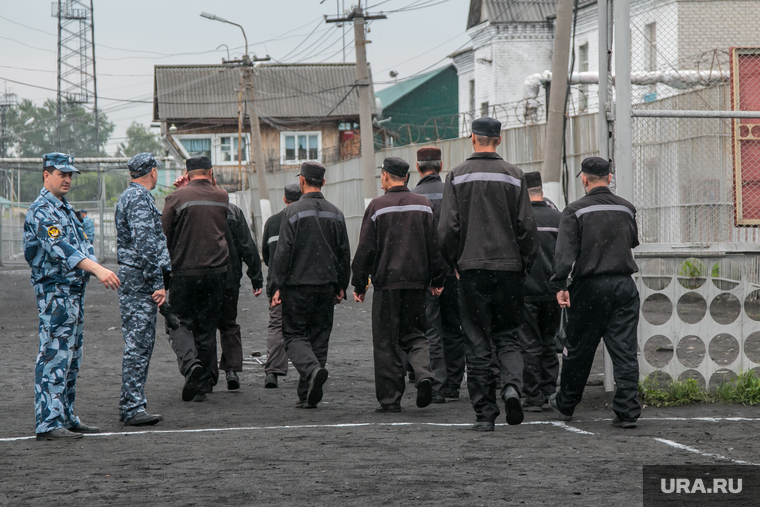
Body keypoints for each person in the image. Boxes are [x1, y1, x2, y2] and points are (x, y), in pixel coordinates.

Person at [438, 117, 538, 432]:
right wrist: (524, 262)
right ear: (499, 139)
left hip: (470, 269)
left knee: (476, 338)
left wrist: (453, 260)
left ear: (472, 138)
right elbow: (526, 227)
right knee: (508, 336)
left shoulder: (456, 176)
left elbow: (447, 229)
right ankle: (511, 387)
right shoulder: (514, 175)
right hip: (509, 268)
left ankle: (485, 413)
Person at [23, 152, 120, 440]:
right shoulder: (41, 210)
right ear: (46, 174)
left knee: (71, 357)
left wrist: (92, 268)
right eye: (61, 173)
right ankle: (49, 422)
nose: (67, 179)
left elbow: (83, 244)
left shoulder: (65, 209)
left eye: (70, 174)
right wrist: (98, 270)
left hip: (73, 293)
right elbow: (60, 248)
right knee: (54, 354)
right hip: (55, 294)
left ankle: (65, 414)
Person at [549, 157, 642, 428]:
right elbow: (633, 240)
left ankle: (566, 403)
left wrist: (560, 285)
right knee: (624, 349)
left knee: (579, 348)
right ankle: (627, 411)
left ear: (584, 179)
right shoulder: (626, 208)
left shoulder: (574, 211)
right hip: (624, 285)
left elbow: (564, 255)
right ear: (609, 178)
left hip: (590, 287)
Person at [352, 156, 445, 413]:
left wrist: (359, 284)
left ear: (384, 176)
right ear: (407, 177)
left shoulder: (377, 207)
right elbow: (434, 247)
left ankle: (390, 400)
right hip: (417, 285)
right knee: (416, 335)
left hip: (387, 286)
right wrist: (437, 279)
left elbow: (365, 251)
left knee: (385, 342)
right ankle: (424, 373)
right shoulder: (424, 205)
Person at [270, 162, 351, 409]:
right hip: (326, 286)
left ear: (302, 181)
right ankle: (307, 393)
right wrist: (341, 285)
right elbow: (344, 254)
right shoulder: (336, 213)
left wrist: (277, 285)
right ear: (323, 183)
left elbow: (283, 253)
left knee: (293, 335)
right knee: (319, 337)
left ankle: (312, 371)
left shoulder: (292, 212)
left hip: (297, 286)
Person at [162, 155, 229, 403]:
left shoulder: (176, 198)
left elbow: (164, 234)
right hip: (216, 273)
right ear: (211, 171)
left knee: (178, 323)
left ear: (186, 174)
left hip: (185, 272)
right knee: (206, 326)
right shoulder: (223, 196)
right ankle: (203, 386)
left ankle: (191, 366)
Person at [114, 153, 171, 426]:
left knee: (138, 344)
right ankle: (132, 407)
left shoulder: (131, 196)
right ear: (152, 171)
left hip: (135, 280)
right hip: (140, 282)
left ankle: (132, 404)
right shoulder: (138, 198)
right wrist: (157, 283)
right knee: (138, 345)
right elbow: (146, 244)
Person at [411, 147, 466, 404]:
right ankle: (453, 385)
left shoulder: (412, 197)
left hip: (425, 274)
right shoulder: (454, 194)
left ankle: (436, 382)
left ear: (418, 166)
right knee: (454, 328)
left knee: (430, 329)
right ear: (441, 165)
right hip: (454, 271)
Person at [518, 171, 561, 412]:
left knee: (528, 344)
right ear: (541, 189)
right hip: (553, 291)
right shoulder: (558, 217)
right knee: (548, 341)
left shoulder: (520, 221)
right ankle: (549, 390)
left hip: (526, 292)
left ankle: (533, 396)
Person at [212, 201, 263, 390]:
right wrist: (256, 277)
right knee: (229, 324)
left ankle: (208, 375)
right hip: (229, 277)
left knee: (205, 326)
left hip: (202, 276)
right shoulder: (232, 210)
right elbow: (247, 245)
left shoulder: (192, 205)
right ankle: (232, 370)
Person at [261, 183, 301, 388]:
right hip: (303, 283)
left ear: (284, 199)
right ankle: (310, 369)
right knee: (304, 328)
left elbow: (266, 256)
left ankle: (273, 372)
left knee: (277, 326)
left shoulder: (272, 222)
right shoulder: (305, 219)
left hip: (278, 284)